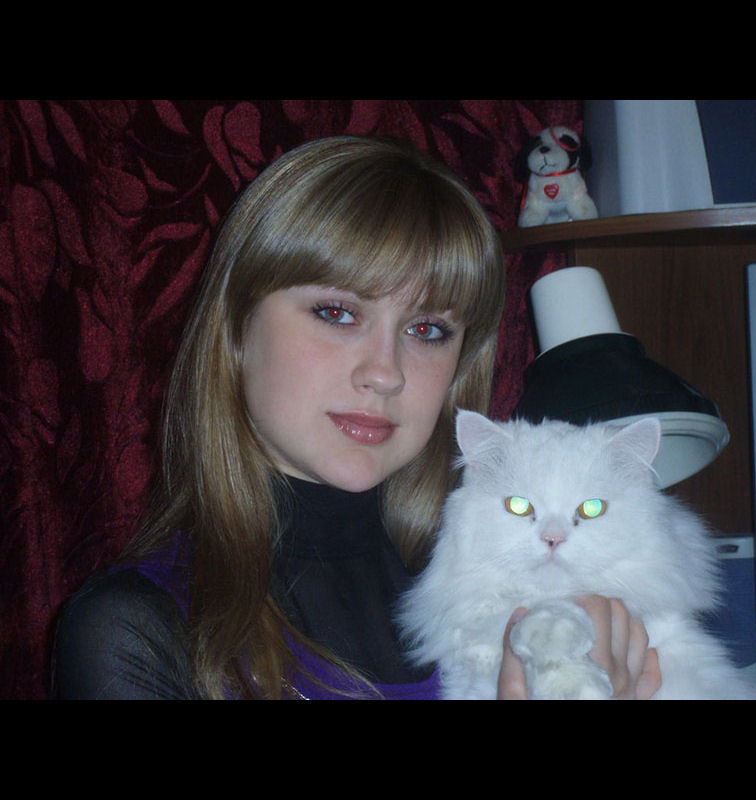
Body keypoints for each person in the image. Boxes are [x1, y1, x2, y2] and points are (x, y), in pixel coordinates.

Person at [53, 135, 660, 700]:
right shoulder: (136, 628)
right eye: (338, 313)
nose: (385, 372)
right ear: (237, 328)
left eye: (427, 330)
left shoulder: (526, 594)